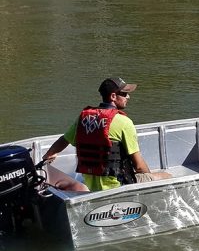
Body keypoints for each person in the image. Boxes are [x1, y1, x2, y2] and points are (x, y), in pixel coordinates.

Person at [42, 77, 171, 191]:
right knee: (166, 176)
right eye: (125, 94)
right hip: (119, 185)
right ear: (113, 96)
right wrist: (148, 177)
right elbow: (138, 166)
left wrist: (49, 154)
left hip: (92, 186)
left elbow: (64, 140)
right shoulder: (124, 122)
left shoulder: (84, 118)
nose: (128, 97)